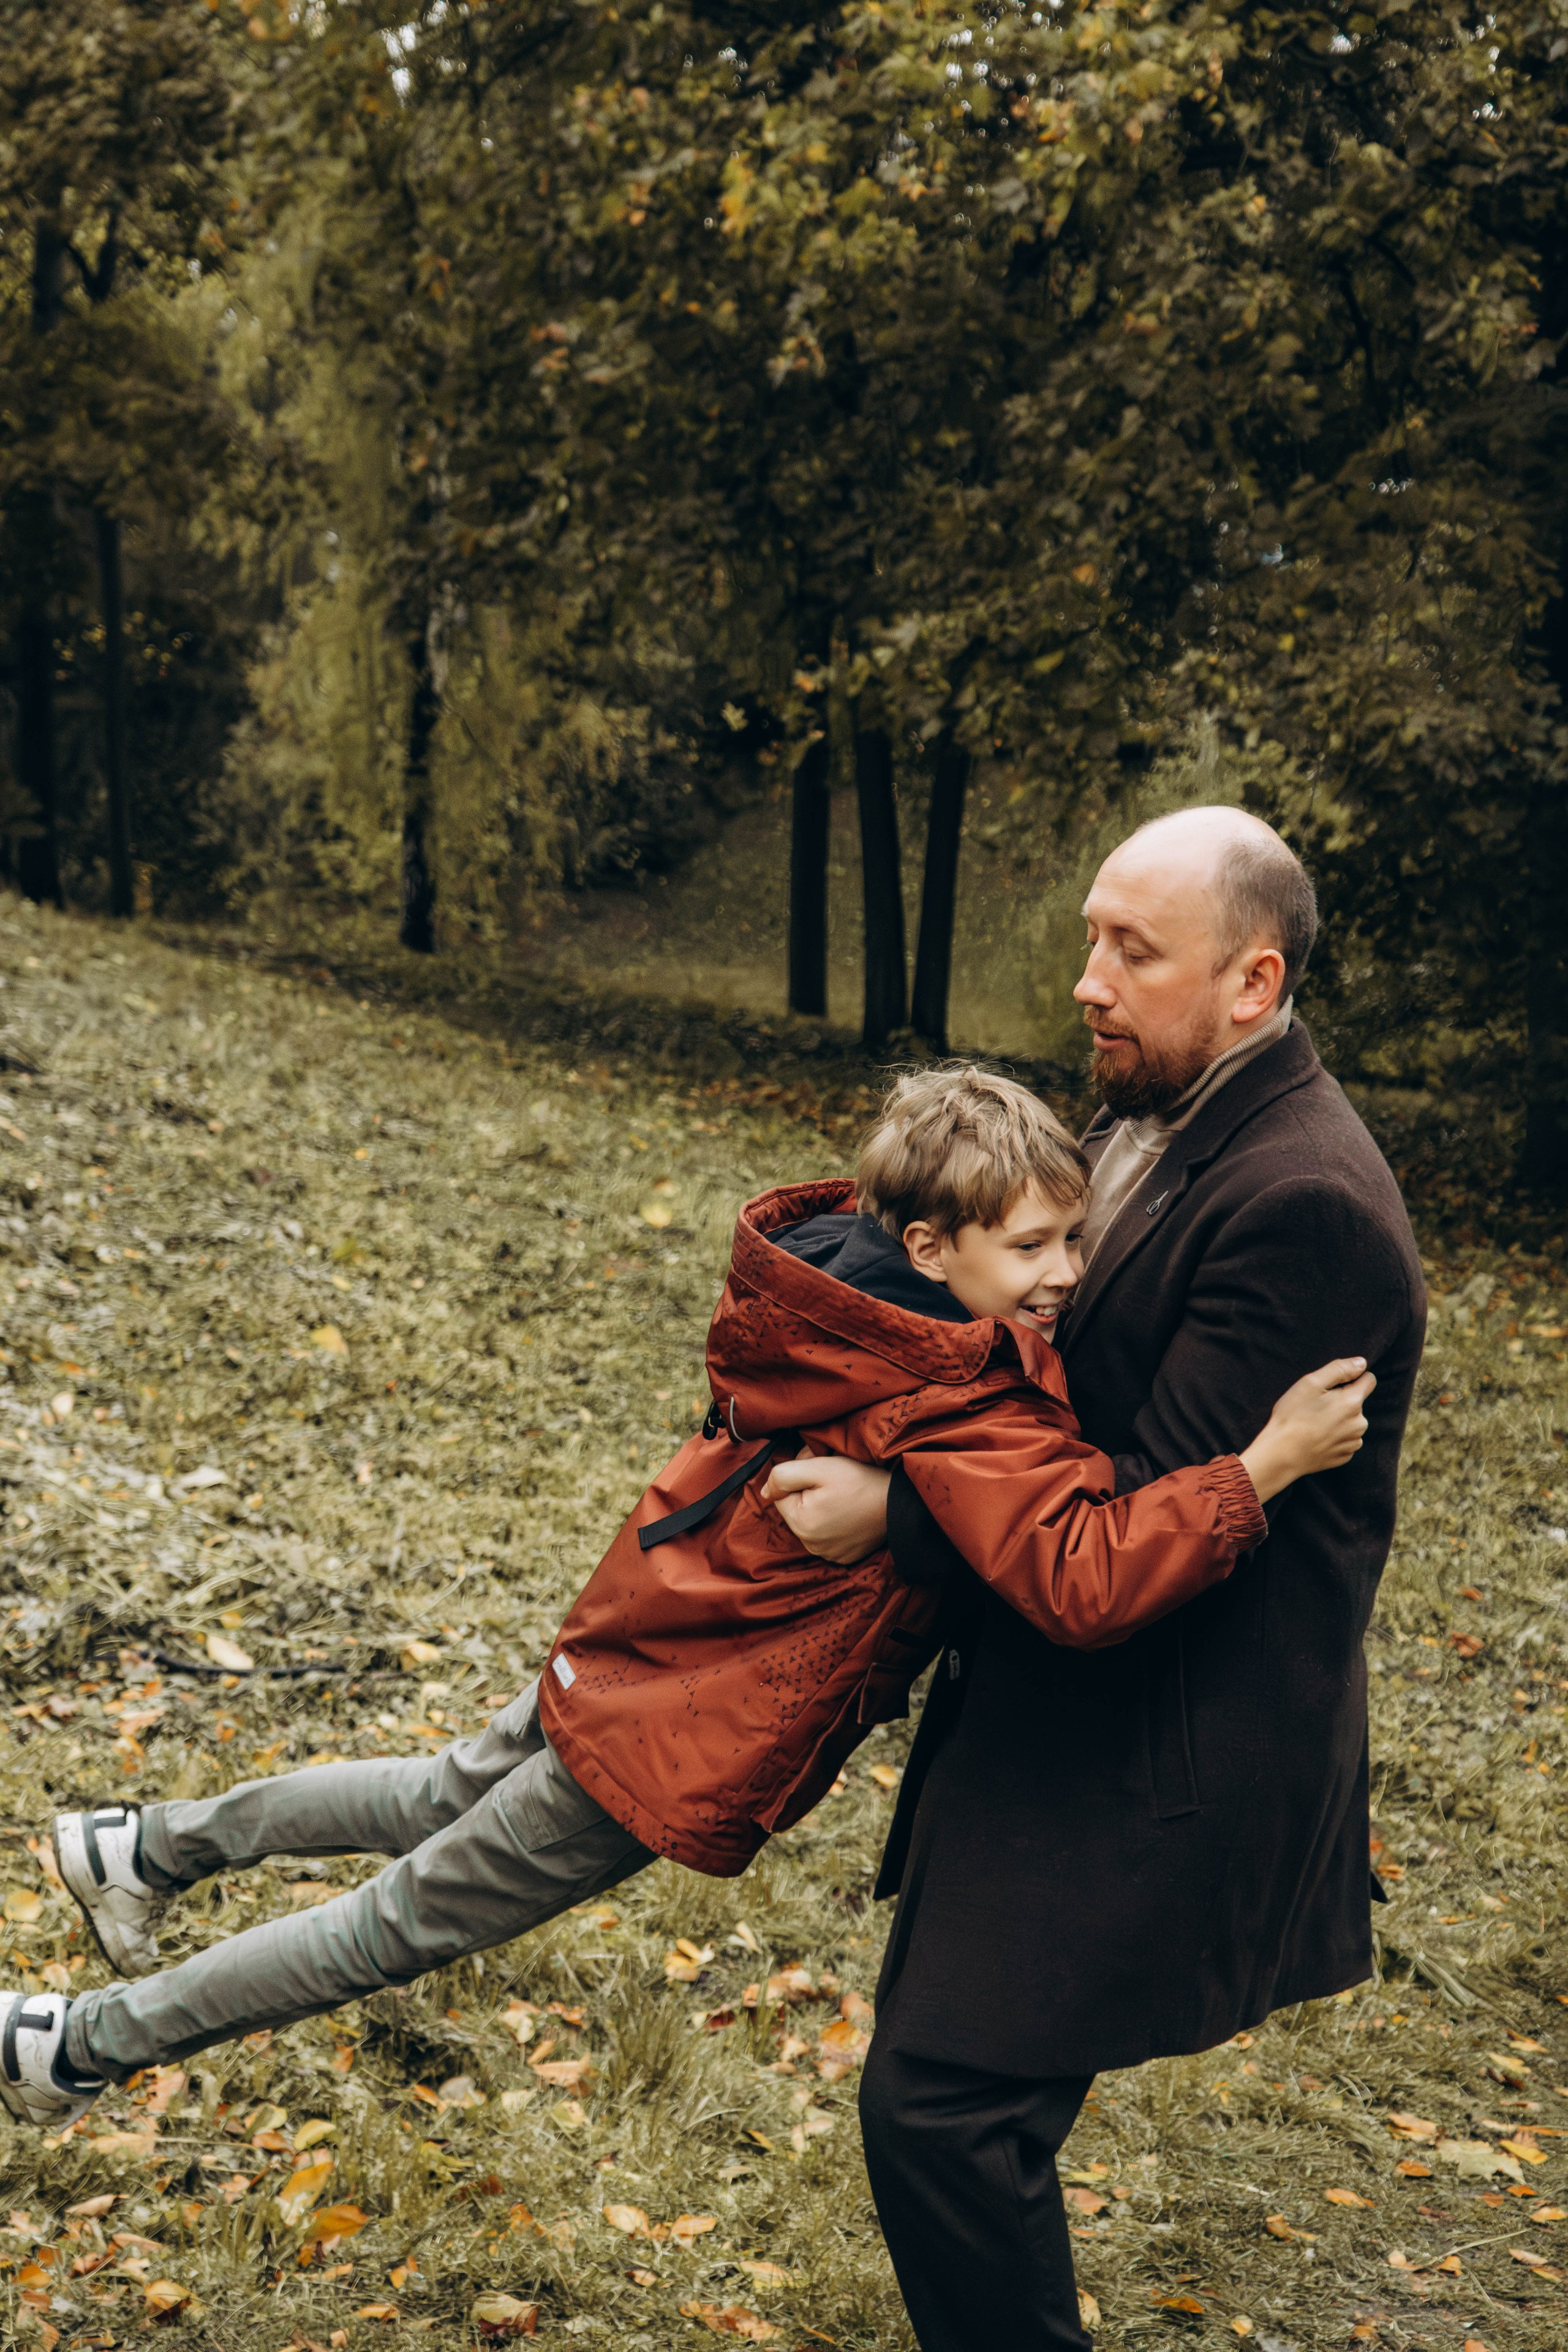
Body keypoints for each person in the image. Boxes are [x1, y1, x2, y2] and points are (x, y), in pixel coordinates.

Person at [1, 1066, 1369, 2130]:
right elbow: (1080, 1572)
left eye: (1070, 1236)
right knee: (395, 1922)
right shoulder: (954, 1395)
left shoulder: (835, 1295)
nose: (1063, 1276)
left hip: (649, 1632)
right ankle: (76, 2048)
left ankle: (143, 1846)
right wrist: (1258, 1468)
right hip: (687, 1724)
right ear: (929, 1242)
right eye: (1031, 1249)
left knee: (431, 1794)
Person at [761, 805, 1427, 2352]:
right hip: (1066, 1685)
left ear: (1251, 984)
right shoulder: (1164, 1115)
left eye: (1132, 950)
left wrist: (892, 1511)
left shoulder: (1303, 1201)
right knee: (954, 2113)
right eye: (1087, 936)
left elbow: (1148, 1502)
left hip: (1157, 1744)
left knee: (941, 2111)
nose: (1087, 978)